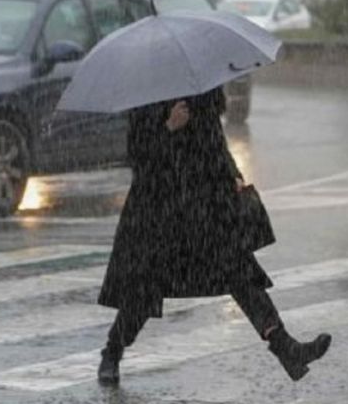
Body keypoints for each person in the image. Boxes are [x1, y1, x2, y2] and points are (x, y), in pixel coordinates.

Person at [96, 87, 331, 385]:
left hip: (205, 207)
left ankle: (287, 349)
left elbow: (214, 141)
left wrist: (232, 172)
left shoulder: (200, 88)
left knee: (241, 275)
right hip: (159, 213)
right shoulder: (146, 94)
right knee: (144, 289)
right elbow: (140, 161)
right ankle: (112, 353)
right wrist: (169, 128)